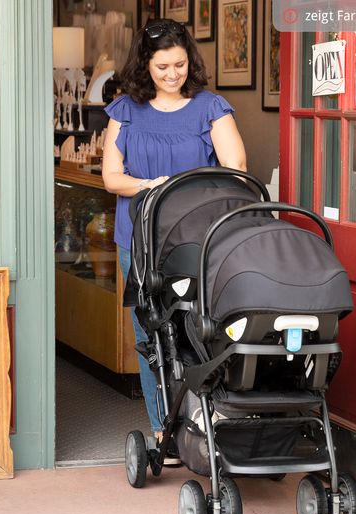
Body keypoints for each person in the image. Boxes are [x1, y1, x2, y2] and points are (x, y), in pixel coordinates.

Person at [102, 18, 247, 447]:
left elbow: (236, 169)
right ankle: (163, 426)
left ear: (190, 61)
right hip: (141, 238)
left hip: (198, 239)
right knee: (151, 334)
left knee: (201, 328)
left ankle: (208, 421)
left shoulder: (210, 107)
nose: (171, 74)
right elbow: (113, 177)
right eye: (162, 66)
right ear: (145, 64)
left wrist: (186, 192)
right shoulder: (125, 109)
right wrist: (154, 186)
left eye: (179, 65)